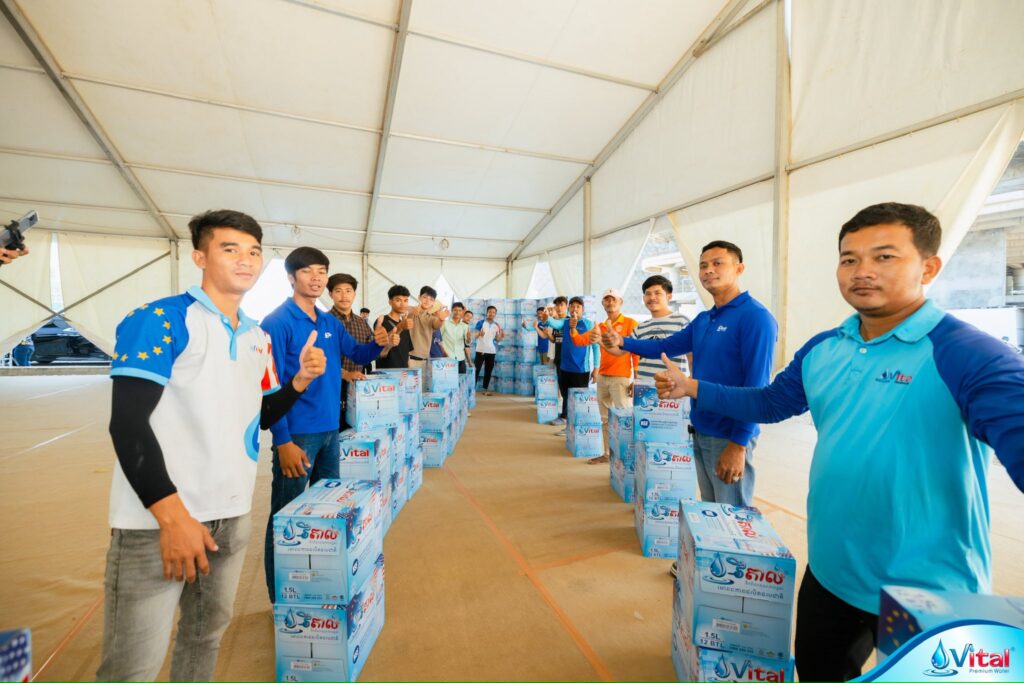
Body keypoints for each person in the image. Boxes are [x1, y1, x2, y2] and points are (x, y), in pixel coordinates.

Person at [652, 203, 1024, 682]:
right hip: (832, 571)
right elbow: (769, 403)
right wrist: (693, 387)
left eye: (884, 256)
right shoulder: (824, 348)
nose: (862, 271)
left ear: (929, 267)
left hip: (933, 589)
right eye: (849, 259)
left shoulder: (972, 356)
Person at [99, 209, 327, 681]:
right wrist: (172, 517)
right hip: (159, 522)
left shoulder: (256, 336)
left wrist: (300, 381)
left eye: (254, 252)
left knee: (204, 638)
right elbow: (127, 424)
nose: (245, 260)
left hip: (231, 514)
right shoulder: (160, 319)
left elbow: (262, 414)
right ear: (199, 257)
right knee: (132, 666)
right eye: (230, 249)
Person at [602, 240, 777, 509]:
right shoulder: (704, 319)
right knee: (710, 511)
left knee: (730, 514)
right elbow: (663, 346)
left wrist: (739, 444)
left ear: (739, 268)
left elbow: (757, 389)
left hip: (729, 435)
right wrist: (622, 341)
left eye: (717, 263)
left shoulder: (756, 317)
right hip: (700, 428)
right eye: (703, 265)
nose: (708, 270)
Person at [260, 247, 388, 604]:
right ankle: (280, 601)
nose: (316, 278)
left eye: (321, 271)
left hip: (331, 431)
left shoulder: (329, 322)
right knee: (286, 518)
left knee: (325, 511)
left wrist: (378, 344)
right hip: (297, 435)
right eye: (307, 271)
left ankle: (316, 587)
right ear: (291, 277)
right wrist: (282, 440)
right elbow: (268, 387)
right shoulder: (276, 323)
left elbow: (357, 354)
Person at [572, 289, 638, 463]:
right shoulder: (600, 327)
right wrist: (572, 328)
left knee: (624, 419)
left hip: (621, 379)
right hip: (602, 377)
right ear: (602, 304)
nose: (610, 302)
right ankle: (607, 454)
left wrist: (637, 379)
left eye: (613, 299)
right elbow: (579, 341)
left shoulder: (630, 323)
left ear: (621, 302)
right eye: (606, 300)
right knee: (605, 419)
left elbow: (636, 353)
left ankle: (627, 458)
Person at [326, 273, 375, 429]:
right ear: (330, 294)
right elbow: (322, 358)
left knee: (354, 430)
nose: (344, 295)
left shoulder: (362, 323)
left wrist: (386, 342)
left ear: (354, 294)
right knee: (335, 429)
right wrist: (344, 374)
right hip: (330, 387)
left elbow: (371, 352)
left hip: (357, 388)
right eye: (338, 291)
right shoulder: (323, 321)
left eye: (348, 290)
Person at [551, 297, 600, 436]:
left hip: (581, 369)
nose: (575, 309)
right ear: (569, 309)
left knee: (579, 401)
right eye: (572, 306)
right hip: (564, 367)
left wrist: (596, 368)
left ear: (583, 309)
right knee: (566, 398)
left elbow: (596, 347)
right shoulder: (565, 322)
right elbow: (554, 323)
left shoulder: (588, 324)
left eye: (578, 306)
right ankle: (568, 425)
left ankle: (579, 430)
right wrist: (546, 318)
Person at [632, 275, 690, 383]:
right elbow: (620, 351)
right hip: (644, 388)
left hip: (672, 387)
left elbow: (692, 357)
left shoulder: (682, 321)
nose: (652, 297)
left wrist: (690, 384)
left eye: (657, 293)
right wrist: (602, 340)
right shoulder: (640, 327)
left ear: (669, 296)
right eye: (648, 294)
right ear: (644, 298)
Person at [536, 296, 569, 425]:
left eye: (561, 305)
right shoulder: (556, 324)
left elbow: (560, 325)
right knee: (562, 386)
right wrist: (548, 333)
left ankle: (565, 416)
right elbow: (554, 340)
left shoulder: (569, 321)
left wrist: (548, 320)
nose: (558, 308)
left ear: (566, 306)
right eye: (557, 305)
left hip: (568, 360)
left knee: (566, 389)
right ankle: (564, 413)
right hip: (558, 358)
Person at [374, 285, 414, 370]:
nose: (403, 304)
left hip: (404, 373)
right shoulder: (382, 321)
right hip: (386, 373)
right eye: (398, 300)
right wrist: (400, 327)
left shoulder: (404, 323)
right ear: (390, 302)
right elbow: (379, 353)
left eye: (405, 300)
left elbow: (407, 352)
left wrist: (409, 370)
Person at [408, 286, 448, 369]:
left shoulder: (431, 318)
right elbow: (401, 309)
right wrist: (411, 309)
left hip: (425, 359)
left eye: (431, 299)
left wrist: (441, 319)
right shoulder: (410, 312)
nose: (427, 301)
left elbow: (437, 324)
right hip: (409, 358)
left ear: (433, 302)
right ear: (419, 297)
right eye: (425, 297)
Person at [473, 305, 504, 395]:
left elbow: (497, 340)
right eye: (490, 312)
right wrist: (479, 334)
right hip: (480, 350)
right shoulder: (480, 323)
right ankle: (472, 389)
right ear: (487, 313)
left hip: (491, 351)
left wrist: (501, 336)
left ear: (495, 314)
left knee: (488, 371)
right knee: (476, 370)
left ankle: (485, 389)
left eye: (493, 312)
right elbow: (475, 336)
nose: (491, 313)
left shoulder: (497, 325)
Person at [442, 302, 470, 373]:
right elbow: (438, 339)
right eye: (455, 310)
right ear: (452, 311)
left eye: (460, 310)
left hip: (461, 358)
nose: (457, 312)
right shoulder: (444, 323)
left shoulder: (465, 326)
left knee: (461, 379)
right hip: (448, 358)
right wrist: (443, 352)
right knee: (448, 379)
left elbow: (467, 342)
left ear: (462, 312)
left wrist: (469, 339)